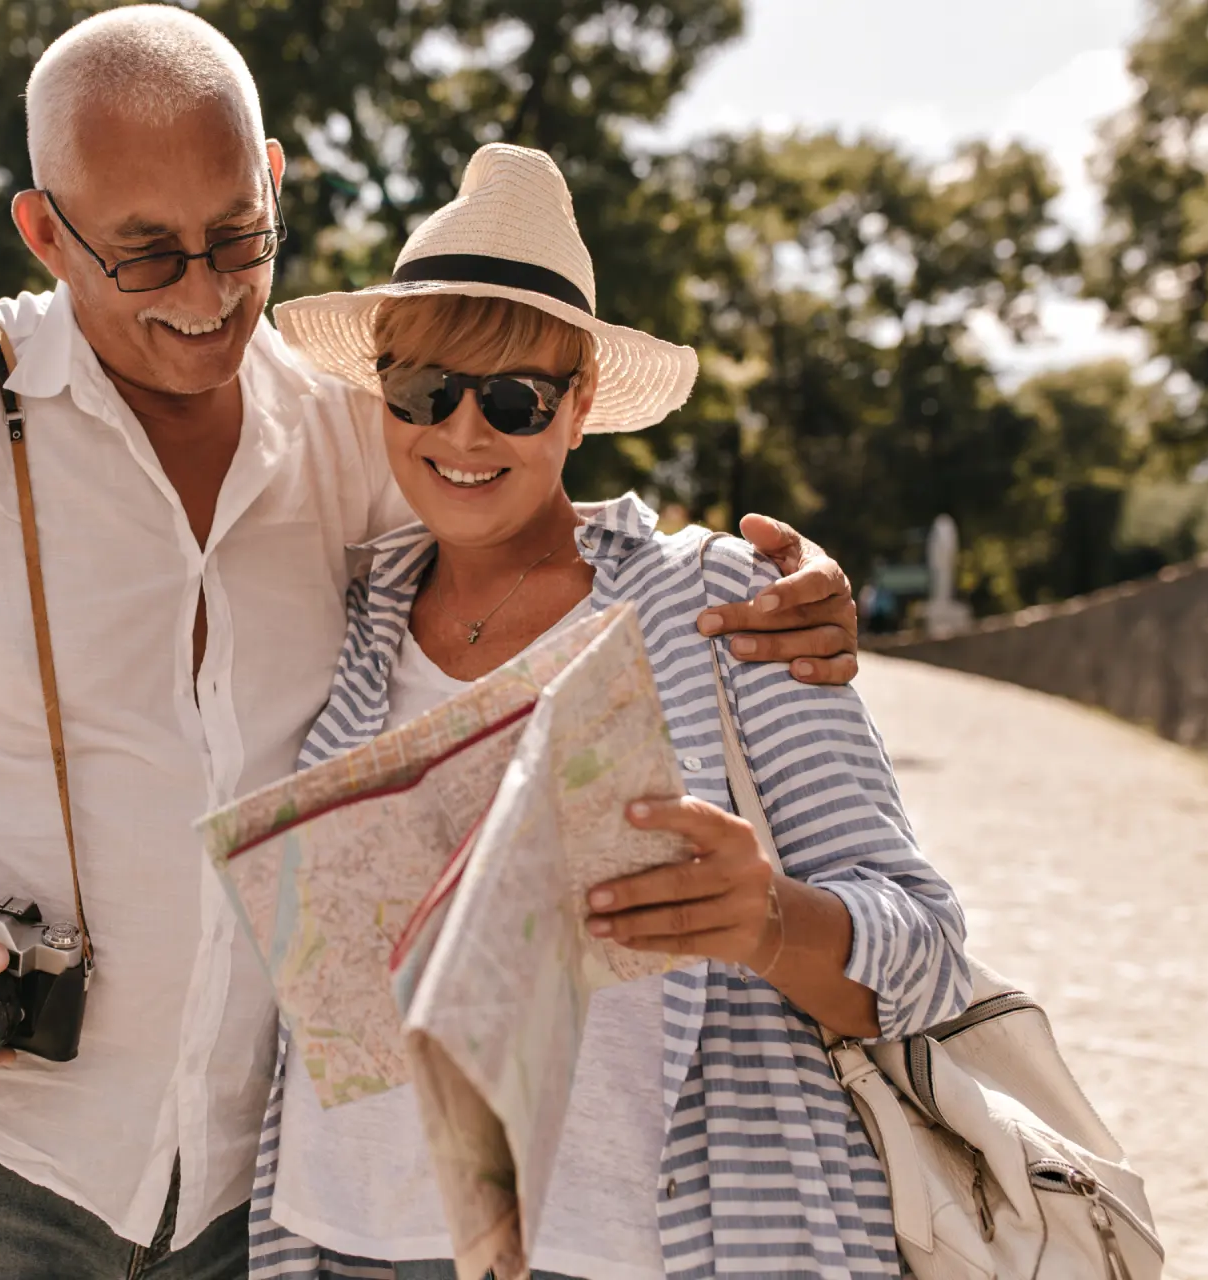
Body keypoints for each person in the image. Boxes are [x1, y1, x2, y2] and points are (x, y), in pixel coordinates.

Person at [0, 10, 863, 1279]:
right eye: (147, 256)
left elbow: (521, 506)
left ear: (273, 178)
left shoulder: (350, 431)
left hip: (249, 1194)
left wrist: (776, 579)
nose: (208, 293)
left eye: (237, 238)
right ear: (46, 231)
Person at [247, 145, 971, 1280]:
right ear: (381, 389)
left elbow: (929, 956)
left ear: (579, 404)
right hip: (343, 1239)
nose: (464, 432)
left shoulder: (720, 601)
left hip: (639, 1249)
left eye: (515, 397)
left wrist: (765, 918)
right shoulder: (348, 606)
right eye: (426, 390)